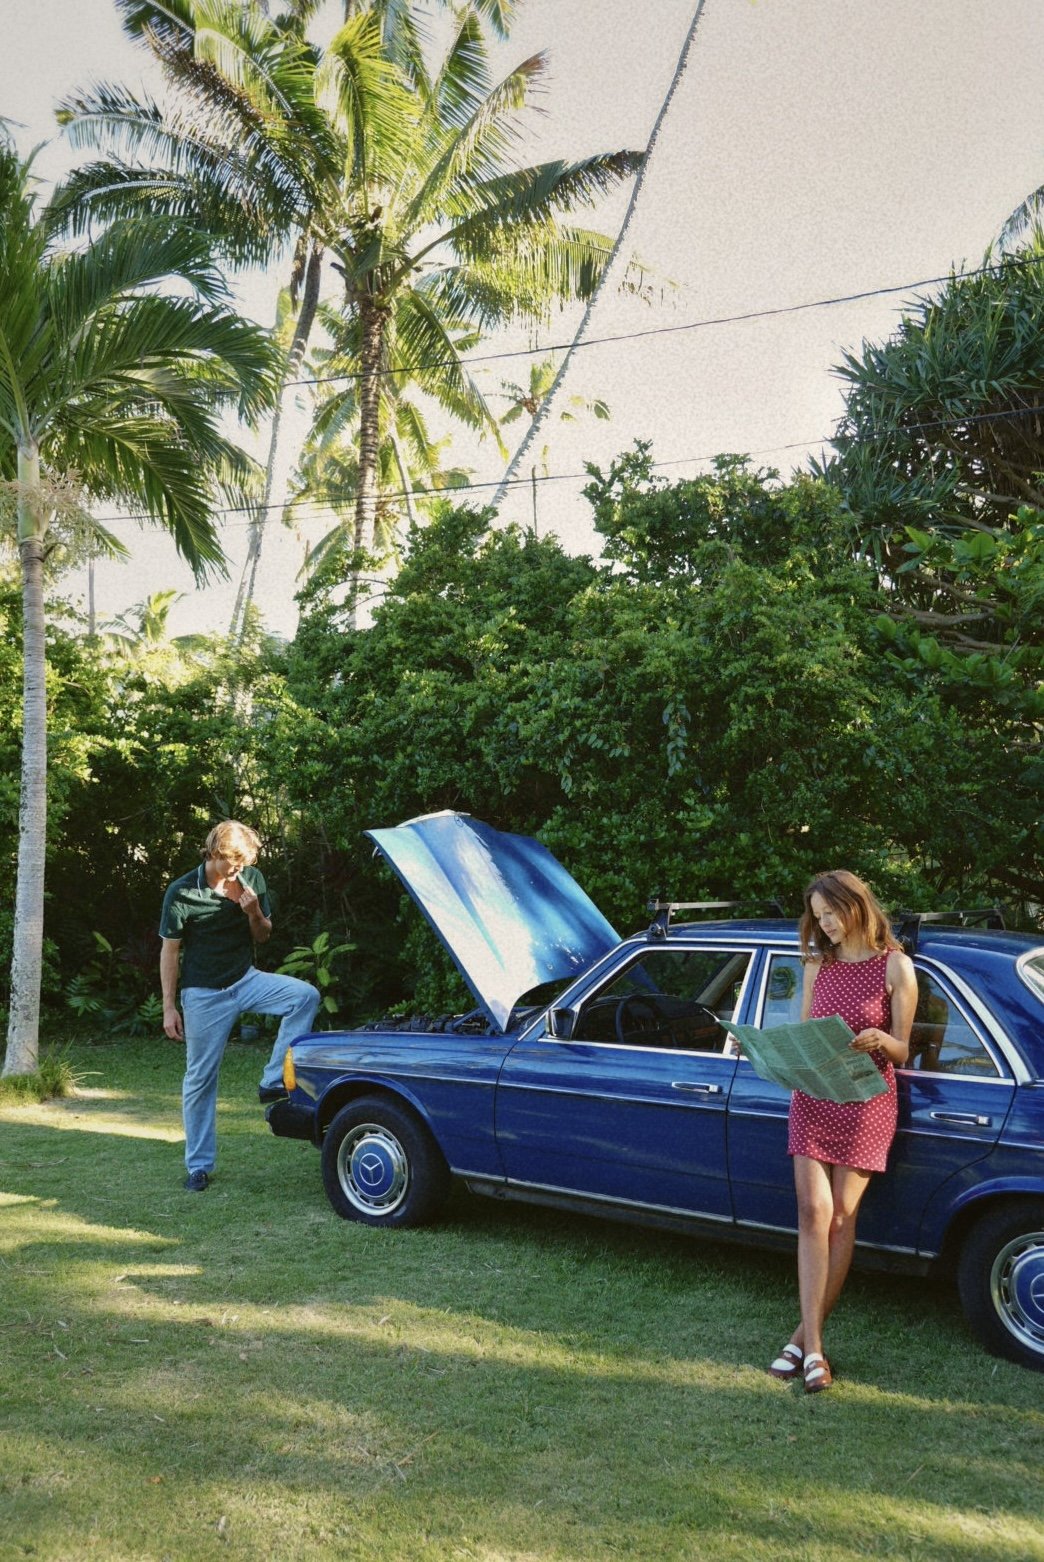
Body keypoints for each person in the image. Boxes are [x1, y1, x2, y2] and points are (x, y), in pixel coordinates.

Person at [767, 869, 917, 1392]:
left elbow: (902, 1050)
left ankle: (803, 1341)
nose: (824, 924)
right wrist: (766, 1047)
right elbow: (806, 1032)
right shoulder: (817, 965)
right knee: (813, 1212)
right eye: (817, 915)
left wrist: (880, 1039)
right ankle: (815, 1352)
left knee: (841, 1220)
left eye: (830, 913)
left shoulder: (895, 966)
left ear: (856, 907)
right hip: (813, 1095)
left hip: (865, 1100)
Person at [160, 820, 320, 1192]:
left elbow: (263, 936)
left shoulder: (252, 881)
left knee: (304, 996)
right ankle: (198, 1165)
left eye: (245, 861)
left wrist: (253, 913)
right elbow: (169, 952)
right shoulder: (182, 891)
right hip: (203, 994)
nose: (240, 868)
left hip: (246, 980)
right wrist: (169, 1007)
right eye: (234, 861)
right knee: (200, 1079)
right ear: (215, 853)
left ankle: (272, 1079)